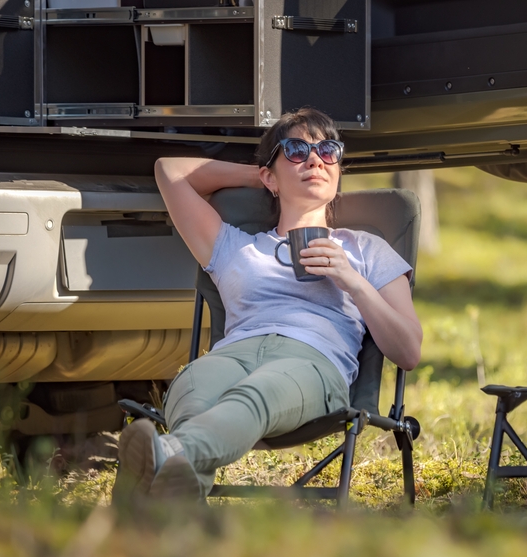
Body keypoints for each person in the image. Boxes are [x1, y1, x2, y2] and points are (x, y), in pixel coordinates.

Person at [112, 108, 423, 502]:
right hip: (232, 353)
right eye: (296, 150)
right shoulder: (234, 246)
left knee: (257, 394)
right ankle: (174, 503)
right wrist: (265, 176)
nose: (315, 160)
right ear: (269, 177)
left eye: (328, 151)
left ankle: (167, 455)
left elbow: (408, 350)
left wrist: (352, 280)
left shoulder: (365, 249)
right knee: (193, 393)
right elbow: (169, 171)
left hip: (312, 361)